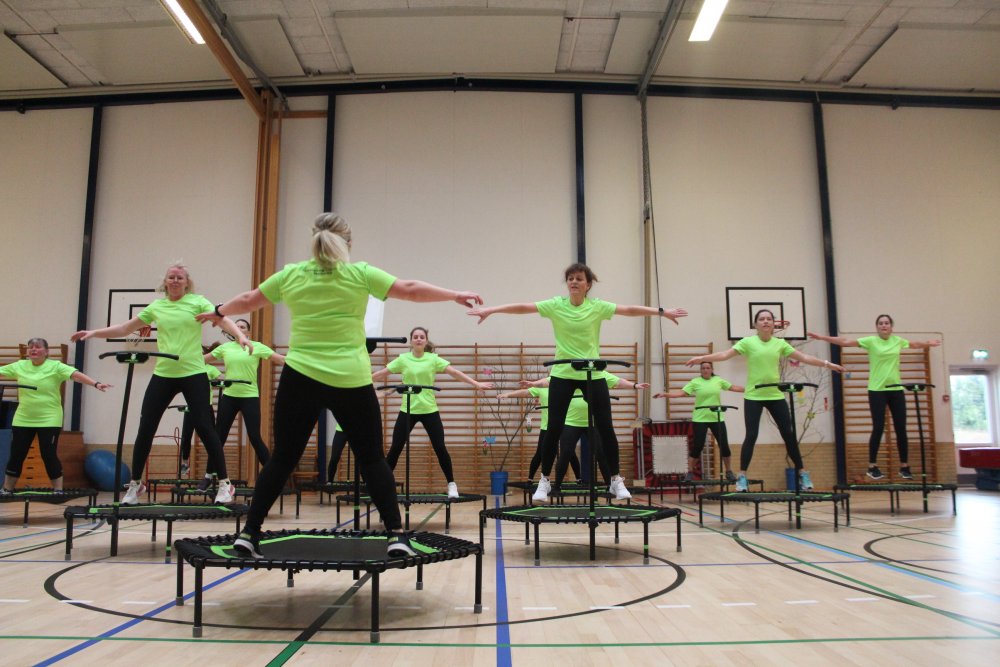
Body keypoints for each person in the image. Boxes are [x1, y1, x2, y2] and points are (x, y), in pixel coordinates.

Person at [199, 212, 485, 558]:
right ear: (348, 243)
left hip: (300, 376)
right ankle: (396, 536)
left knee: (282, 458)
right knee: (372, 459)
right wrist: (454, 295)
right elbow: (409, 290)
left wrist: (219, 310)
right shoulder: (359, 273)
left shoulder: (291, 274)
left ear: (313, 241)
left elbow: (249, 300)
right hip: (350, 378)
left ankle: (249, 533)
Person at [469, 262, 687, 501]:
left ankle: (615, 480)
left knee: (606, 428)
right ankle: (544, 481)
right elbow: (523, 307)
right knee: (553, 429)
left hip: (592, 374)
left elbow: (629, 310)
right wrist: (492, 310)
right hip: (563, 374)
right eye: (570, 278)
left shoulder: (598, 307)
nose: (574, 282)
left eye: (579, 278)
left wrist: (661, 312)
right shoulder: (556, 305)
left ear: (588, 284)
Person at [71, 263, 245, 505]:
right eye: (171, 277)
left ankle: (225, 484)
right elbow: (125, 328)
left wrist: (240, 336)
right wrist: (93, 333)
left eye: (179, 277)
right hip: (164, 374)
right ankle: (135, 484)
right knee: (146, 427)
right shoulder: (157, 306)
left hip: (193, 373)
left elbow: (222, 319)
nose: (175, 281)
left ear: (187, 282)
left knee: (206, 428)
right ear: (165, 282)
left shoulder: (197, 302)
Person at [687, 309, 845, 492]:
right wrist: (702, 358)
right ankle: (742, 476)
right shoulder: (748, 342)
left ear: (773, 324)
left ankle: (802, 472)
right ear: (755, 324)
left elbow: (804, 357)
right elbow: (724, 355)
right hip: (754, 396)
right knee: (751, 435)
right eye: (761, 319)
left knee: (788, 433)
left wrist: (828, 364)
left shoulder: (780, 344)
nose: (765, 321)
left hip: (775, 396)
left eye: (769, 319)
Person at [809, 315, 941, 480]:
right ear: (877, 327)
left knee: (901, 428)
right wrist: (822, 337)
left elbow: (914, 344)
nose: (884, 325)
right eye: (880, 323)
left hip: (896, 390)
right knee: (878, 427)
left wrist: (928, 343)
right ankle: (872, 466)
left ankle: (904, 466)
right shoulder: (871, 341)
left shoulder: (898, 341)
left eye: (886, 323)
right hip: (877, 390)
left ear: (891, 327)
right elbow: (845, 341)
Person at [372, 326, 494, 498]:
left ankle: (451, 484)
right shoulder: (403, 359)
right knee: (395, 448)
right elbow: (381, 374)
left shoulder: (433, 359)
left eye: (422, 337)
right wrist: (360, 380)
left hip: (429, 410)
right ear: (411, 340)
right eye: (415, 337)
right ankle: (381, 486)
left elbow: (454, 373)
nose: (418, 339)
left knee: (440, 447)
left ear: (426, 340)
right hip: (407, 410)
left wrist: (476, 384)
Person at [1, 338, 110, 495]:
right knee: (17, 454)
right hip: (23, 418)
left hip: (49, 419)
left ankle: (58, 490)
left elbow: (76, 375)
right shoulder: (20, 365)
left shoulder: (56, 366)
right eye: (31, 347)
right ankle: (7, 489)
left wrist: (96, 384)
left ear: (46, 352)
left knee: (48, 454)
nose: (33, 349)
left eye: (37, 347)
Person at [517, 373, 649, 500]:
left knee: (601, 453)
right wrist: (534, 383)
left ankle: (611, 484)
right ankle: (556, 486)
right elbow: (548, 380)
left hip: (591, 423)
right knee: (565, 454)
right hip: (571, 423)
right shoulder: (567, 374)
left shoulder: (596, 374)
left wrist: (634, 385)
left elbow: (617, 381)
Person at [205, 318, 285, 477]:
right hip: (229, 397)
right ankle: (208, 475)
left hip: (249, 397)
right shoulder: (225, 348)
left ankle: (274, 477)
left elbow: (280, 359)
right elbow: (202, 360)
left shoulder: (256, 346)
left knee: (255, 437)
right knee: (218, 437)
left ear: (248, 331)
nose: (239, 329)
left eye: (243, 327)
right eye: (237, 326)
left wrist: (303, 363)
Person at [653, 361, 744, 481]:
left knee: (724, 446)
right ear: (701, 370)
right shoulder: (695, 382)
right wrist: (665, 394)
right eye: (703, 368)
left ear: (712, 369)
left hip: (716, 418)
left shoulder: (718, 380)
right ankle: (689, 472)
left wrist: (749, 389)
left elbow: (733, 387)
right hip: (700, 419)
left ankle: (728, 471)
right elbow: (681, 393)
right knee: (697, 446)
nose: (705, 370)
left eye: (708, 368)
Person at [177, 362, 221, 484]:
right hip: (191, 406)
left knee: (210, 438)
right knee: (186, 436)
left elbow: (220, 380)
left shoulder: (211, 369)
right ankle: (185, 462)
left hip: (206, 407)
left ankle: (214, 465)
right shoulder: (192, 367)